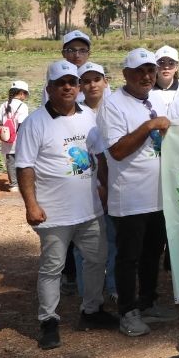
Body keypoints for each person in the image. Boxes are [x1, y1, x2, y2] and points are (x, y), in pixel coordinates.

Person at [15, 61, 119, 349]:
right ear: (49, 88)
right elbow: (24, 167)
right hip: (54, 213)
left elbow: (99, 155)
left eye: (73, 82)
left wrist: (105, 190)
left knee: (97, 259)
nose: (68, 87)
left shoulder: (88, 116)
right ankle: (49, 320)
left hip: (90, 209)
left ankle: (92, 310)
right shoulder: (35, 122)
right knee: (53, 268)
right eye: (61, 83)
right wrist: (30, 205)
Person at [97, 48, 176, 337]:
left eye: (150, 71)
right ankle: (127, 311)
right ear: (126, 75)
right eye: (140, 71)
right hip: (130, 197)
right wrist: (148, 126)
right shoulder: (112, 104)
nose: (146, 76)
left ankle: (148, 302)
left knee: (152, 253)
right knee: (128, 256)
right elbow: (116, 151)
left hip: (158, 195)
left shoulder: (156, 98)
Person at [76, 62, 117, 302]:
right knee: (84, 244)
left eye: (97, 79)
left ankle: (112, 286)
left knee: (112, 240)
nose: (92, 85)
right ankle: (88, 294)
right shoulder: (75, 113)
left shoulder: (114, 109)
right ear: (81, 85)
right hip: (85, 186)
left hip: (115, 183)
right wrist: (97, 185)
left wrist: (108, 185)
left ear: (105, 81)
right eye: (87, 80)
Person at [0, 81, 31, 192]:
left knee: (10, 160)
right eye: (25, 94)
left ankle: (13, 184)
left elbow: (0, 122)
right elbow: (22, 124)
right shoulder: (23, 106)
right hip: (19, 137)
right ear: (21, 93)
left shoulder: (3, 105)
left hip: (6, 136)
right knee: (22, 160)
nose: (25, 97)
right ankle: (22, 183)